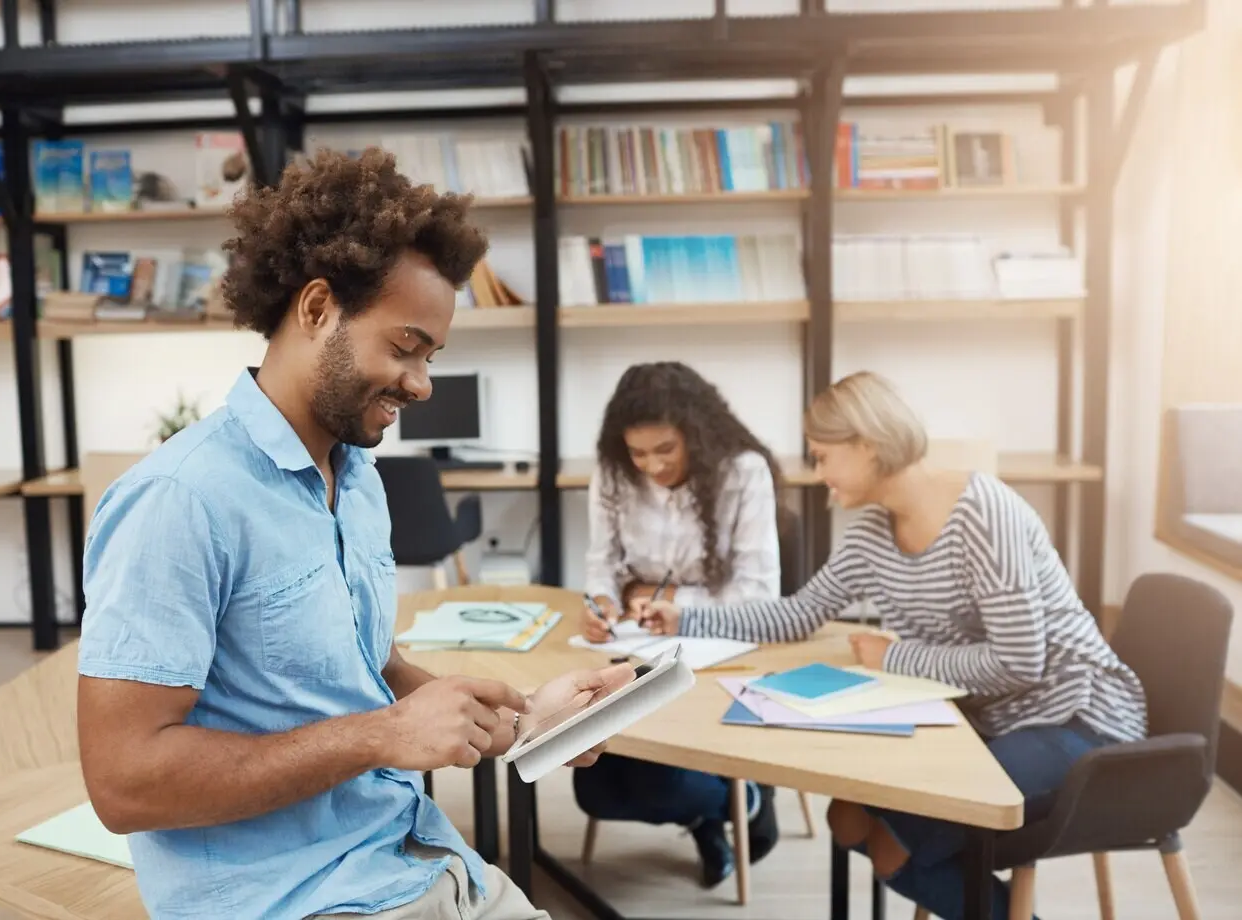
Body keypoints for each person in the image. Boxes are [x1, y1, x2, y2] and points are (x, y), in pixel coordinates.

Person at [76, 147, 634, 920]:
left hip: (417, 861)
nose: (422, 383)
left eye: (431, 356)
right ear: (315, 309)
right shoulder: (178, 500)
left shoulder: (357, 477)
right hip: (294, 902)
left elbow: (364, 670)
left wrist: (522, 721)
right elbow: (123, 781)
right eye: (404, 346)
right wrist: (381, 737)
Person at [639, 370, 1148, 920]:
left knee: (891, 844)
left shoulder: (985, 515)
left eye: (822, 456)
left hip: (1078, 719)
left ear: (868, 446)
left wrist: (894, 656)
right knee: (849, 818)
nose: (818, 473)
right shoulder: (872, 533)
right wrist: (685, 619)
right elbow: (799, 613)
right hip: (993, 720)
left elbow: (1020, 660)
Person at [573, 361, 786, 888]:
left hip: (722, 649)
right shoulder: (614, 471)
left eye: (665, 450)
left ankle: (746, 799)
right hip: (635, 646)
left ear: (697, 435)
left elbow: (759, 595)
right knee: (594, 789)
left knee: (660, 785)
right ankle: (719, 813)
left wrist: (666, 601)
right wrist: (602, 601)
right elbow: (602, 562)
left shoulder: (744, 472)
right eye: (638, 453)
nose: (650, 466)